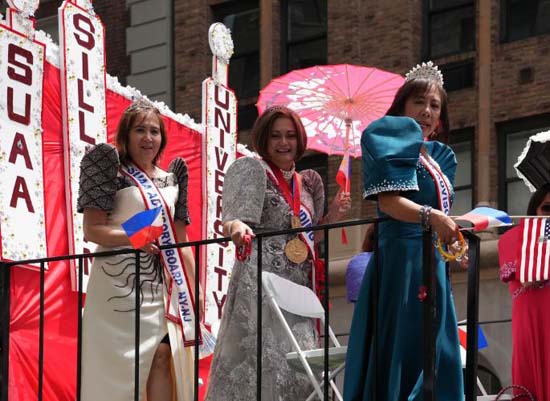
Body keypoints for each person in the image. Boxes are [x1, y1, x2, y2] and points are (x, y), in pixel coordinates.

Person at [205, 106, 351, 401]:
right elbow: (233, 219)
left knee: (301, 369)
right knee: (265, 366)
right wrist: (236, 228)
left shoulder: (308, 182)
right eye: (275, 136)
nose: (284, 143)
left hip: (299, 288)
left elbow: (307, 236)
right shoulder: (252, 170)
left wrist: (332, 215)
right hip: (262, 286)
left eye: (290, 136)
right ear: (263, 139)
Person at [343, 62, 465, 401]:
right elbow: (391, 204)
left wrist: (453, 234)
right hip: (403, 261)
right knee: (406, 344)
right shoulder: (387, 138)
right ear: (402, 107)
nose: (426, 111)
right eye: (419, 102)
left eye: (434, 106)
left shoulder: (439, 156)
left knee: (437, 349)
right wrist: (435, 218)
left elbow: (441, 214)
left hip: (433, 262)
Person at [77, 100, 197, 401]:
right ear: (126, 135)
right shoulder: (110, 170)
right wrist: (135, 238)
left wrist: (193, 294)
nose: (148, 138)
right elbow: (93, 230)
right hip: (116, 288)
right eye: (140, 130)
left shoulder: (171, 180)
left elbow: (181, 243)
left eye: (154, 131)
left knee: (161, 355)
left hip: (159, 287)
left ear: (162, 139)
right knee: (119, 373)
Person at [499, 183, 550, 401]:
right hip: (533, 317)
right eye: (547, 208)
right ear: (534, 210)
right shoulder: (512, 237)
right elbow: (527, 277)